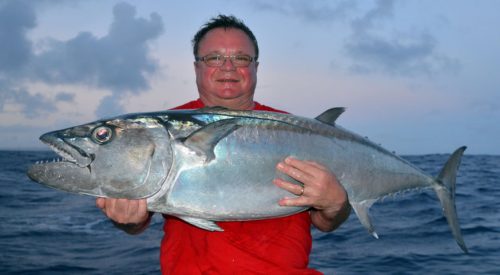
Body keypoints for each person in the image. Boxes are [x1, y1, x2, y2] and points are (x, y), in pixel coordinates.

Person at [96, 15, 351, 274]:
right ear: (197, 68)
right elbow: (137, 223)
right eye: (214, 58)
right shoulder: (158, 130)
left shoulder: (298, 132)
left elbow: (326, 223)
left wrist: (336, 204)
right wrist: (127, 220)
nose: (228, 67)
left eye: (241, 58)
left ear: (255, 68)